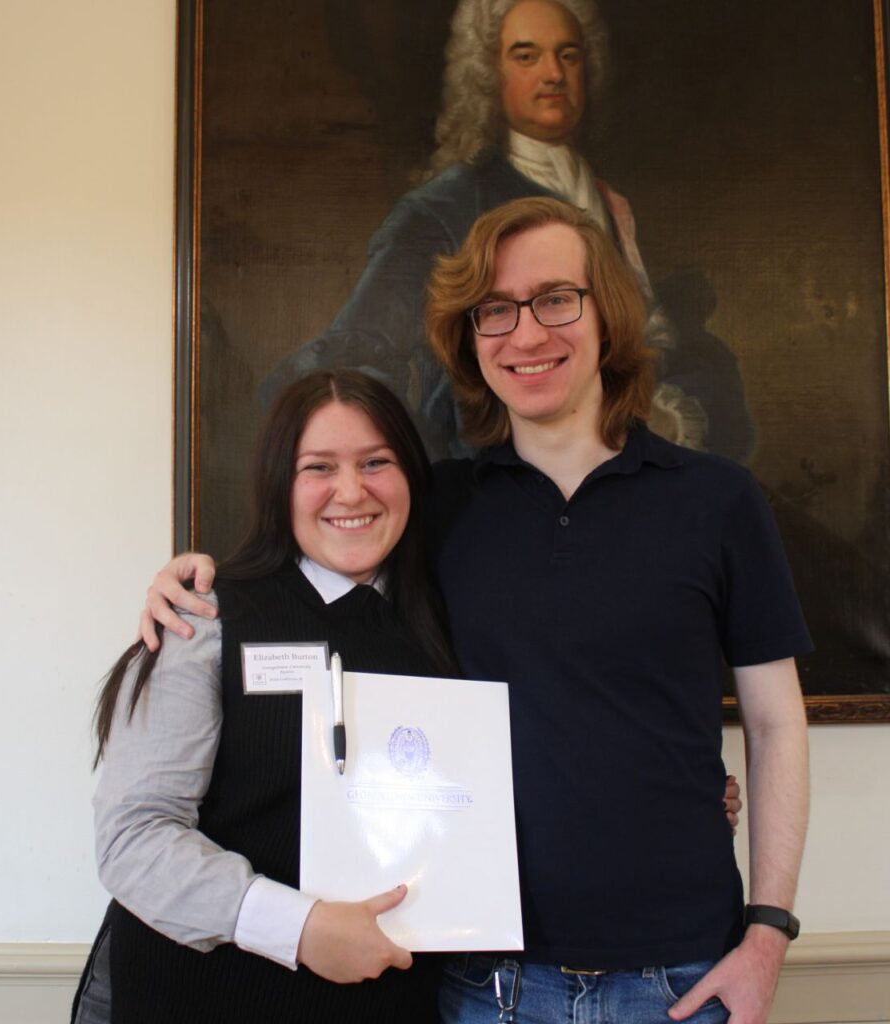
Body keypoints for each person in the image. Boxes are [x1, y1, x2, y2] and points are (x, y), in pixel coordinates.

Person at [143, 197, 786, 1024]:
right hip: (482, 983)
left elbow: (773, 726)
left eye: (556, 298)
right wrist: (195, 581)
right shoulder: (436, 509)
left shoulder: (719, 500)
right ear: (470, 338)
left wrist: (768, 936)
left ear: (609, 315)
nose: (526, 333)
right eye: (495, 310)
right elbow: (314, 569)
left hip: (684, 976)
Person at [72, 370, 456, 1024]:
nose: (351, 490)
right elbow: (134, 837)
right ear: (280, 483)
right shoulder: (205, 619)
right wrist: (299, 928)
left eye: (376, 462)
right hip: (206, 1000)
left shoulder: (450, 623)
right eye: (319, 467)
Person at [259, 0, 750, 460]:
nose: (554, 74)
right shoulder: (442, 210)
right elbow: (354, 357)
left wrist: (661, 412)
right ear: (488, 73)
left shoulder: (610, 201)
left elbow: (655, 350)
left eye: (568, 55)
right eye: (526, 56)